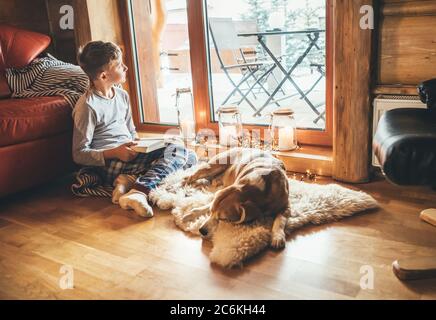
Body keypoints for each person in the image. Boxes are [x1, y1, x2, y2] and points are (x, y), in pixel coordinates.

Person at [72, 41, 196, 217]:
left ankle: (128, 182)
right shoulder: (87, 106)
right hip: (110, 162)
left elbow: (131, 131)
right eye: (119, 65)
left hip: (129, 156)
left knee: (191, 156)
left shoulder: (122, 95)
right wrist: (115, 152)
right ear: (103, 76)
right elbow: (79, 153)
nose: (125, 67)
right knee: (178, 152)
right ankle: (140, 190)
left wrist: (139, 143)